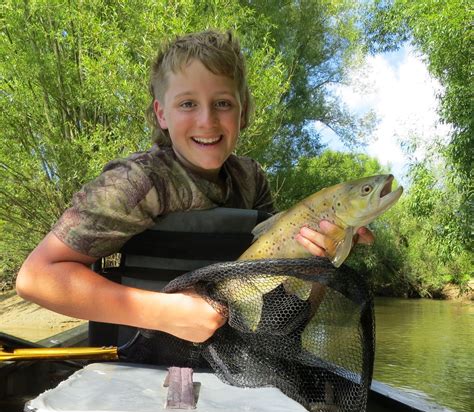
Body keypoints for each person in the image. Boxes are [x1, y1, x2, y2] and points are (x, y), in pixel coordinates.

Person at [16, 30, 373, 344]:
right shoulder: (135, 183)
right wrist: (167, 313)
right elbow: (35, 277)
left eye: (223, 103)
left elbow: (281, 303)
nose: (207, 120)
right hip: (137, 370)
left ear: (242, 112)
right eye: (188, 103)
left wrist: (320, 258)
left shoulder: (251, 180)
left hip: (236, 357)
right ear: (161, 114)